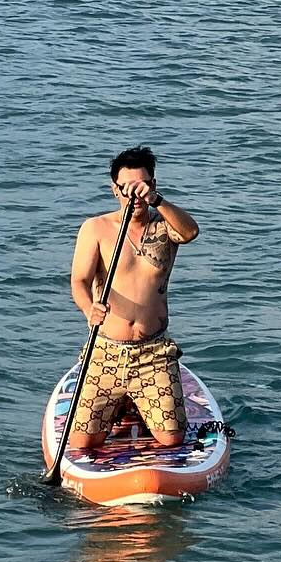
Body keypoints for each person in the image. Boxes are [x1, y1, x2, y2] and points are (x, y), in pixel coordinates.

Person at [67, 146, 200, 452]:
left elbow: (191, 232)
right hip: (107, 351)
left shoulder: (166, 225)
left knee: (172, 439)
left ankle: (137, 401)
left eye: (143, 187)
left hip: (153, 351)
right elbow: (79, 281)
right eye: (127, 188)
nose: (135, 196)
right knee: (84, 442)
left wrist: (157, 201)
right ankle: (124, 404)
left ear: (153, 185)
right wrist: (89, 308)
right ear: (115, 190)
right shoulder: (96, 229)